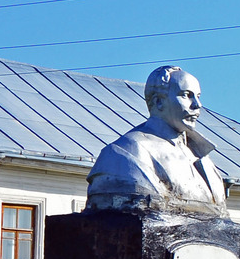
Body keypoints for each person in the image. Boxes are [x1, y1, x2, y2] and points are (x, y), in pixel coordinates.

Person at [86, 66, 228, 215]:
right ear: (159, 101)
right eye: (186, 95)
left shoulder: (203, 157)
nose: (197, 105)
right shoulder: (122, 154)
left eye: (198, 96)